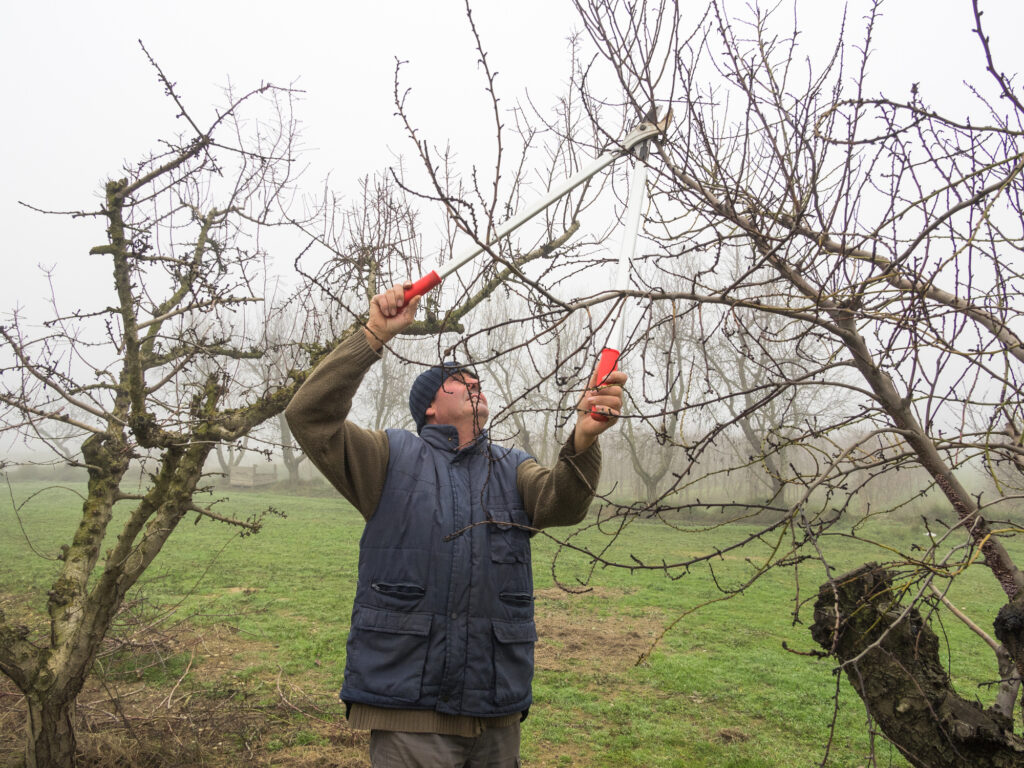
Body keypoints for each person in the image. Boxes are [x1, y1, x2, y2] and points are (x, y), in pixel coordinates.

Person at [285, 282, 627, 767]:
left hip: (496, 709)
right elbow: (309, 416)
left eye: (478, 381)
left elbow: (562, 506)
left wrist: (584, 439)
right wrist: (372, 337)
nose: (474, 384)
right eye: (458, 380)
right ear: (428, 405)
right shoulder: (386, 458)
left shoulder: (511, 466)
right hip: (411, 710)